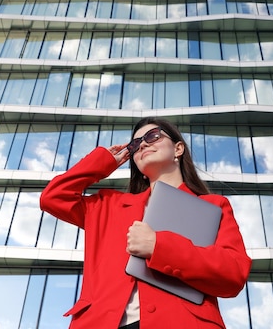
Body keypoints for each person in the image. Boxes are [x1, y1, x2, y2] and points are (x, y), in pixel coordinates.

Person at [39, 117, 251, 329]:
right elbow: (54, 197)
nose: (143, 144)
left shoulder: (213, 206)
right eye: (135, 144)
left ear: (178, 149)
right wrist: (103, 162)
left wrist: (159, 246)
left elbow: (233, 274)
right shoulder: (108, 205)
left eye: (153, 136)